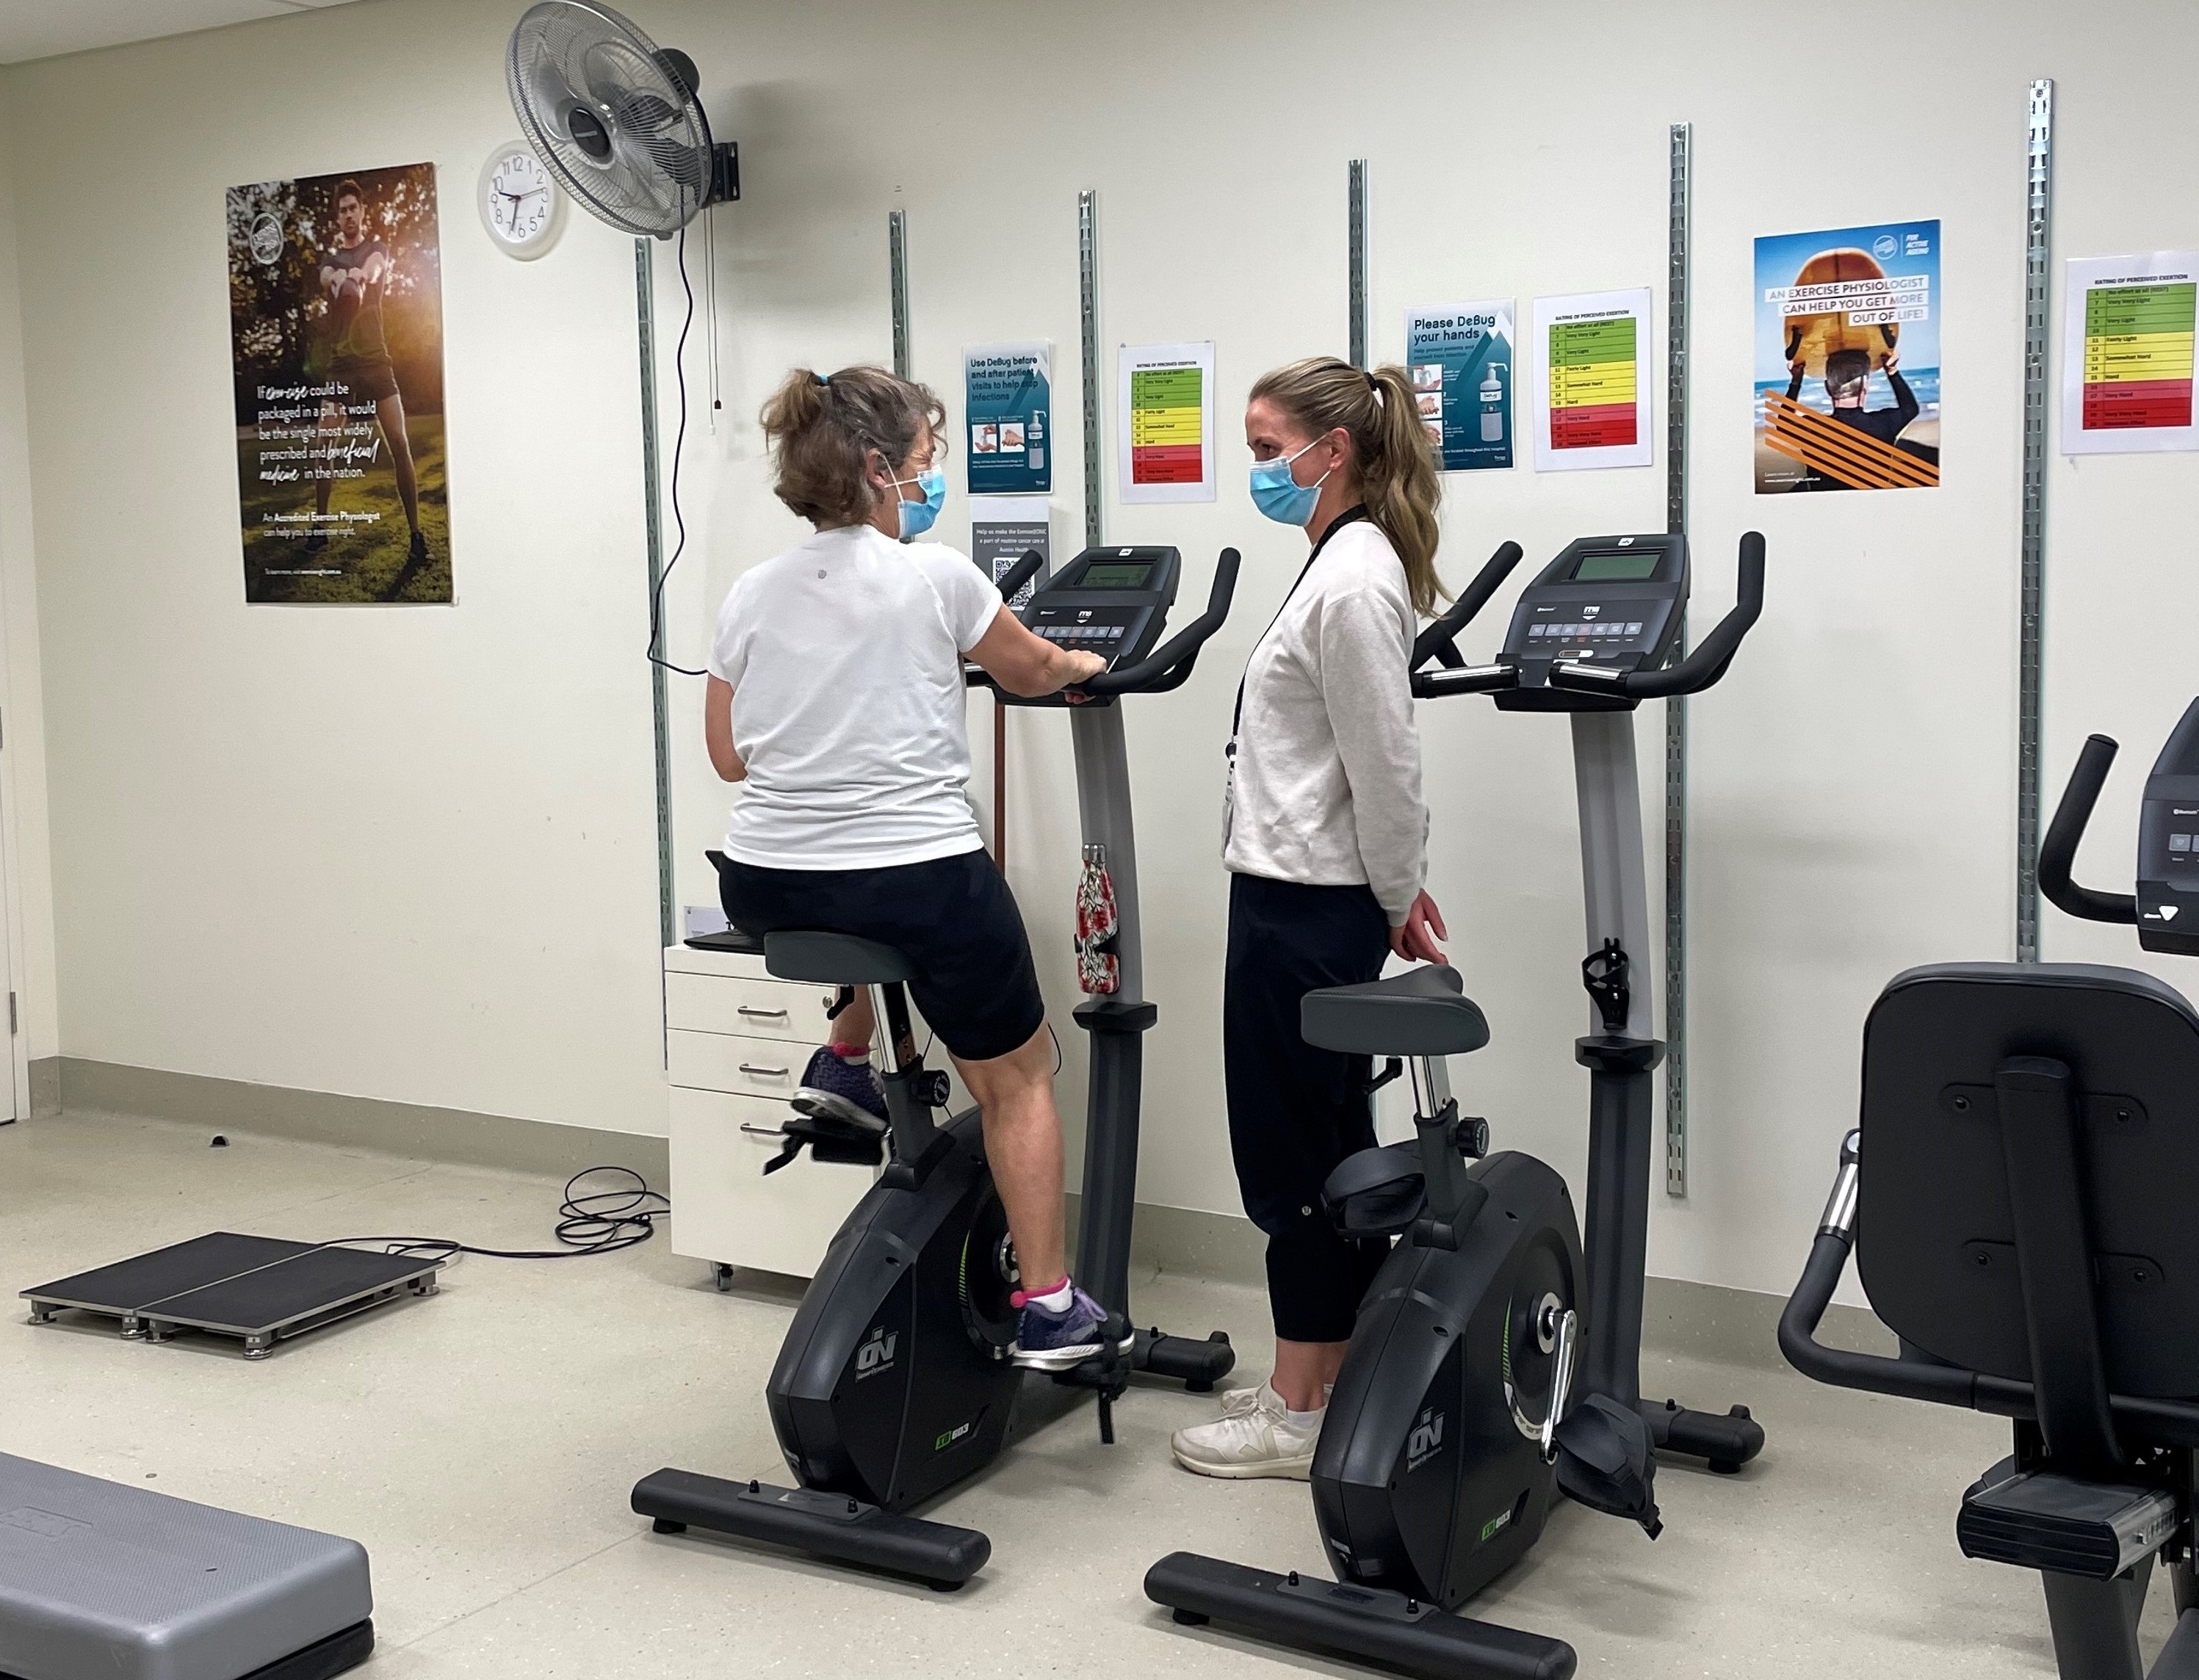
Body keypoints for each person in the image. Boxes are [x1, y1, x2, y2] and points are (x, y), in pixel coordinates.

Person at [704, 363, 1113, 1369]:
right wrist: (1079, 663)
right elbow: (1028, 669)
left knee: (862, 910)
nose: (932, 480)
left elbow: (726, 757)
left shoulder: (751, 591)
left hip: (763, 881)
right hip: (914, 879)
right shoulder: (936, 575)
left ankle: (843, 1060)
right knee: (1017, 1079)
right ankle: (1051, 1306)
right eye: (926, 460)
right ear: (880, 470)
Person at [1171, 356, 1450, 1480]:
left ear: (1331, 451)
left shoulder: (1352, 581)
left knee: (1286, 1158)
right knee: (1329, 1150)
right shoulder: (1341, 561)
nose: (1255, 468)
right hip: (1301, 897)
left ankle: (1292, 1410)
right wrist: (1392, 888)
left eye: (1264, 447)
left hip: (1302, 910)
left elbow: (1387, 767)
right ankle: (1325, 1381)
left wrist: (1395, 893)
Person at [303, 178, 427, 568]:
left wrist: (360, 276)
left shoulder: (376, 249)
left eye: (353, 208)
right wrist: (339, 278)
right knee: (324, 446)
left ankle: (417, 536)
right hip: (341, 365)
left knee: (400, 444)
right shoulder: (330, 260)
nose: (348, 215)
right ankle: (321, 527)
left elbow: (375, 269)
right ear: (337, 218)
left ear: (362, 212)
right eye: (342, 210)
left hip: (376, 361)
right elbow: (326, 277)